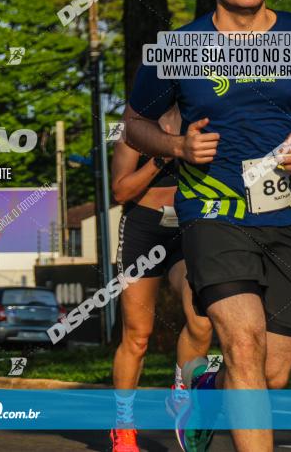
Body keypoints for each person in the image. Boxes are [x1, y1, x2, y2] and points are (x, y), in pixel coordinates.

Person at [124, 0, 291, 452]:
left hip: (290, 219)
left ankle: (207, 389)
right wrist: (177, 146)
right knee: (244, 345)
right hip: (213, 216)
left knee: (272, 373)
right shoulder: (181, 46)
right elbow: (133, 122)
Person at [109, 106, 213, 452]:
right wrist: (163, 157)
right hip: (144, 227)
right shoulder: (136, 124)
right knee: (137, 336)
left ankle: (181, 391)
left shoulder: (206, 117)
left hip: (189, 226)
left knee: (202, 318)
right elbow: (121, 192)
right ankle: (123, 426)